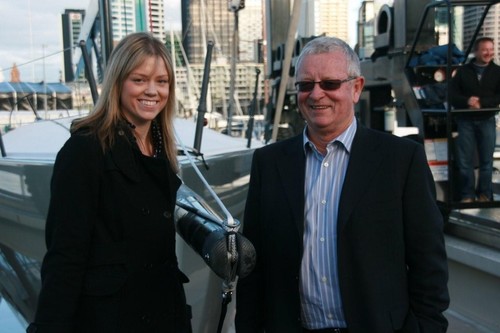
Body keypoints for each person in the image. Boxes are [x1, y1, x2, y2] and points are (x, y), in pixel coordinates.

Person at [235, 36, 449, 333]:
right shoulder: (269, 164)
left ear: (356, 88)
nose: (316, 94)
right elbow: (253, 266)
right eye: (306, 85)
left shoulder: (401, 160)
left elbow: (429, 262)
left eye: (330, 84)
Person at [26, 32, 191, 333]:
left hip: (163, 317)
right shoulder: (85, 150)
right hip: (111, 321)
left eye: (162, 81)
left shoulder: (160, 147)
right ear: (117, 82)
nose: (152, 91)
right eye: (139, 80)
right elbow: (65, 256)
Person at [450, 36, 500, 202]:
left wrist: (482, 103)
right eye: (485, 49)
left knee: (487, 161)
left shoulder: (497, 71)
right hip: (465, 120)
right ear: (477, 51)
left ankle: (485, 194)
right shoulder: (463, 71)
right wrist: (467, 101)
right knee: (465, 162)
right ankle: (467, 195)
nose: (488, 53)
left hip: (487, 119)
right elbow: (451, 94)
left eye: (491, 49)